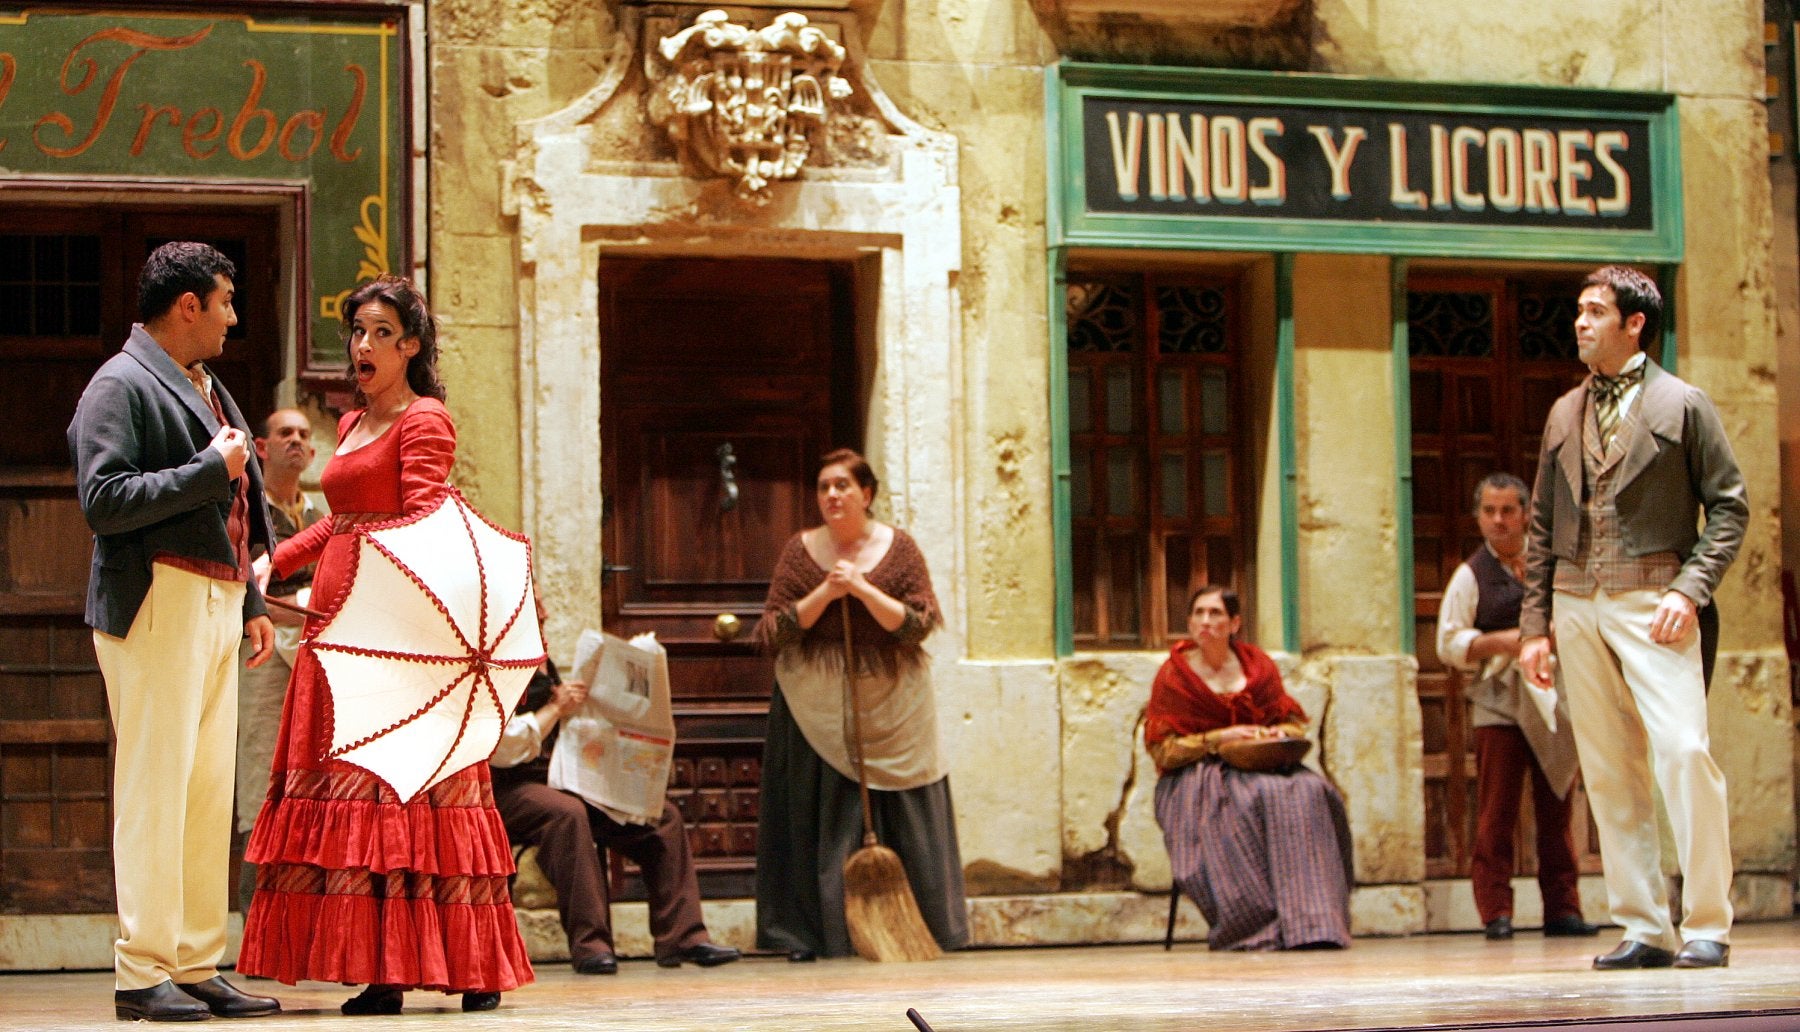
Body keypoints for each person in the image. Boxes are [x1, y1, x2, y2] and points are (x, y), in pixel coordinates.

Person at [237, 275, 533, 1011]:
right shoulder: (350, 423)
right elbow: (343, 519)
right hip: (337, 631)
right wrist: (280, 559)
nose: (361, 347)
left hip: (396, 632)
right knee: (359, 802)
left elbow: (424, 522)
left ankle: (472, 967)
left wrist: (380, 597)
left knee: (412, 792)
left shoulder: (424, 421)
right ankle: (384, 966)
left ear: (410, 346)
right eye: (356, 333)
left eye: (377, 333)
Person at [67, 241, 282, 1021]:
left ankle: (194, 960)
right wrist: (206, 470)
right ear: (186, 305)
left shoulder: (206, 380)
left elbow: (237, 498)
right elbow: (104, 499)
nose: (232, 316)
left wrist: (253, 603)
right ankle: (141, 970)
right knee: (156, 789)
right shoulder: (120, 383)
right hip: (157, 596)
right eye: (224, 300)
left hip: (216, 600)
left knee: (202, 793)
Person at [1519, 266, 1748, 971]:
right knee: (1610, 768)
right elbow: (1539, 524)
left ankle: (1707, 918)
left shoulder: (1683, 403)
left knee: (1683, 750)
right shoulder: (1564, 412)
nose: (1582, 323)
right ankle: (1644, 924)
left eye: (1596, 312)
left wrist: (1691, 589)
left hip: (1654, 597)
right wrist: (1535, 627)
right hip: (1577, 601)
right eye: (1580, 312)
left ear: (1634, 322)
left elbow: (1730, 507)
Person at [753, 449, 968, 960]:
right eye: (824, 486)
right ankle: (818, 930)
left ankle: (920, 926)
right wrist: (826, 593)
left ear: (866, 494)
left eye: (843, 486)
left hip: (892, 700)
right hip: (816, 702)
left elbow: (918, 623)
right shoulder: (799, 551)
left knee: (904, 809)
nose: (831, 495)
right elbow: (774, 630)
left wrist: (864, 589)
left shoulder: (901, 550)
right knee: (823, 810)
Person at [490, 658, 742, 973]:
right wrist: (555, 709)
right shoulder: (498, 664)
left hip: (564, 775)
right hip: (513, 783)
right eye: (537, 611)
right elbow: (502, 747)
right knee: (567, 813)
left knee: (661, 816)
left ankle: (684, 936)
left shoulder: (545, 662)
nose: (544, 616)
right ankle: (591, 946)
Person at [1145, 585, 1354, 951]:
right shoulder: (1174, 677)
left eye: (1215, 614)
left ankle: (1314, 921)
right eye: (1198, 614)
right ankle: (1254, 923)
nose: (1205, 622)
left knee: (1311, 792)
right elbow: (1164, 752)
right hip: (1198, 774)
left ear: (1234, 623)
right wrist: (1218, 738)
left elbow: (1292, 724)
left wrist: (1273, 732)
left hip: (1261, 764)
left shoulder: (1258, 667)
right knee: (1238, 805)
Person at [1436, 473, 1595, 942]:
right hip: (1500, 702)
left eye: (1508, 511)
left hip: (1553, 699)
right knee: (1496, 811)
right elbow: (1449, 642)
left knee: (1557, 808)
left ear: (1527, 514)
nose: (1499, 520)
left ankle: (1563, 909)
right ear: (1478, 516)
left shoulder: (1551, 565)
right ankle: (1495, 911)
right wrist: (1502, 641)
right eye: (1489, 511)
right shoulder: (1471, 573)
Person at [235, 408, 325, 913]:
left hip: (317, 658)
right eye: (284, 433)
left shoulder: (320, 517)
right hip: (263, 653)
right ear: (261, 448)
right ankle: (256, 917)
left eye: (304, 435)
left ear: (313, 454)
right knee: (260, 772)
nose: (295, 440)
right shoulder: (247, 512)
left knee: (313, 779)